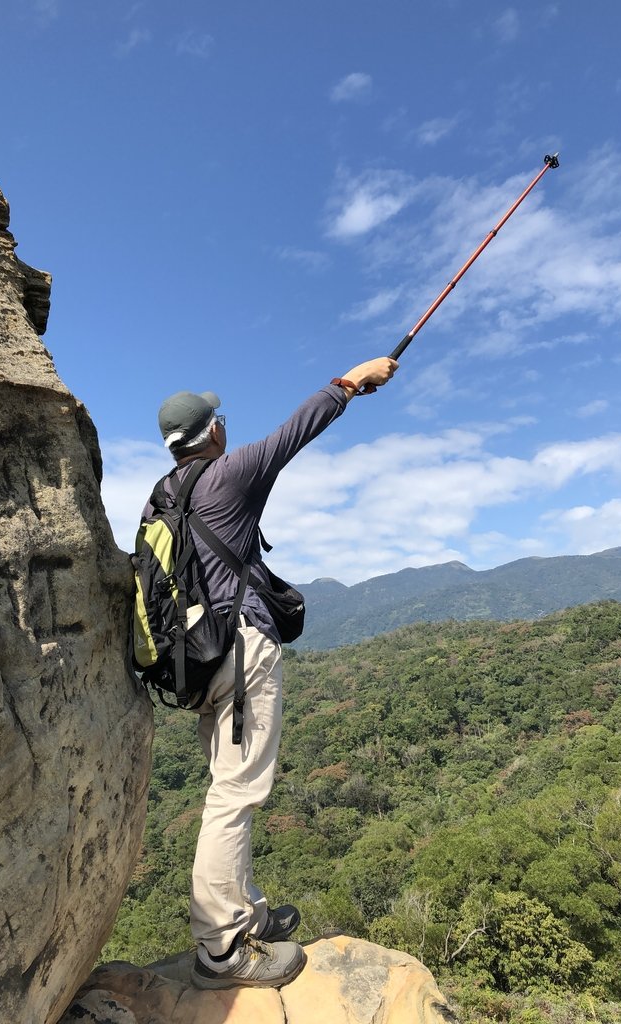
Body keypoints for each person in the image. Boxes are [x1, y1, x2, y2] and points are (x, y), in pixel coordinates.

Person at [149, 357, 397, 990]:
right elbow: (295, 432)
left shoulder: (165, 493)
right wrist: (350, 382)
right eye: (221, 419)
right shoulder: (228, 475)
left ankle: (246, 912)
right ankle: (222, 949)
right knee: (235, 794)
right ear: (211, 433)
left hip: (198, 658)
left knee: (231, 785)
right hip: (239, 651)